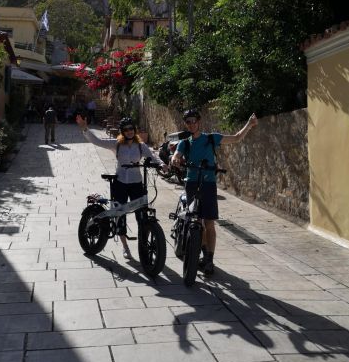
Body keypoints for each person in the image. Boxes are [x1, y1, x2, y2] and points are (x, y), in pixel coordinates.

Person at [171, 109, 258, 275]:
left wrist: (249, 124)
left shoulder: (211, 138)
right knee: (195, 220)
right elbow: (176, 154)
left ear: (199, 122)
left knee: (208, 223)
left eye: (193, 121)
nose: (191, 124)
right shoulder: (185, 142)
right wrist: (175, 159)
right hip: (192, 184)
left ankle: (209, 259)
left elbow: (237, 137)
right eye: (188, 122)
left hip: (208, 184)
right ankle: (200, 250)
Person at [76, 114, 167, 259]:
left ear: (134, 130)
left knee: (141, 214)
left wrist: (161, 164)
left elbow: (152, 156)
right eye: (126, 129)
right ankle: (125, 247)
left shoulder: (141, 145)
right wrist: (85, 128)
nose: (129, 131)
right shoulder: (116, 144)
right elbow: (97, 141)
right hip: (120, 183)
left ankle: (143, 244)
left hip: (137, 182)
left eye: (131, 128)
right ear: (122, 131)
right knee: (120, 214)